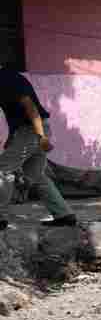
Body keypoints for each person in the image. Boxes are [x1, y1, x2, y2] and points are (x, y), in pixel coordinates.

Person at [0, 66, 77, 231]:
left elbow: (30, 107)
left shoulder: (5, 79)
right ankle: (64, 214)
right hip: (31, 130)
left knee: (2, 171)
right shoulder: (9, 76)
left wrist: (41, 137)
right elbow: (16, 114)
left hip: (32, 130)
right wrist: (12, 138)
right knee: (35, 175)